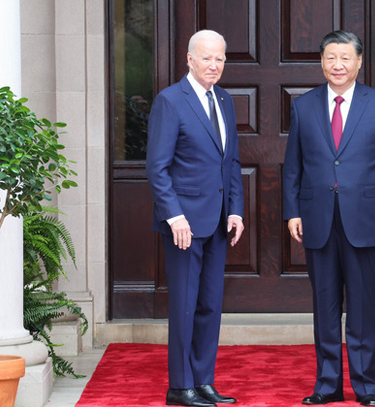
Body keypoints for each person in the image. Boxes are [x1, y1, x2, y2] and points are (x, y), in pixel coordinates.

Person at [282, 30, 375, 406]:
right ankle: (327, 385)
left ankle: (366, 388)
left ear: (358, 62)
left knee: (363, 308)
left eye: (345, 58)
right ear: (321, 62)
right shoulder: (304, 106)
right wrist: (292, 211)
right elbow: (294, 165)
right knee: (324, 308)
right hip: (318, 219)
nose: (337, 65)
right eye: (330, 58)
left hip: (367, 219)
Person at [146, 29, 244, 407]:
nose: (214, 65)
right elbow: (157, 168)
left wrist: (235, 209)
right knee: (185, 305)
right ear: (189, 59)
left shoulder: (225, 100)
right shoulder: (170, 101)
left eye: (220, 58)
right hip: (183, 226)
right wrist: (174, 217)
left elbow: (230, 161)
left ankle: (203, 381)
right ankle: (180, 386)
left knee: (209, 305)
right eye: (207, 58)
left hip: (218, 222)